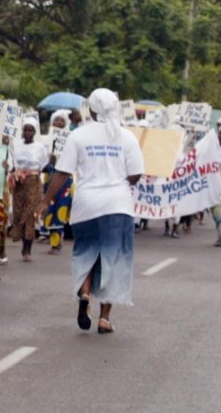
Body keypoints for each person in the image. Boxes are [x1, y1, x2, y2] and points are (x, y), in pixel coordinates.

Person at [39, 89, 144, 334]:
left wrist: (45, 202)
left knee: (87, 253)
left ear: (92, 109)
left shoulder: (79, 136)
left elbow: (62, 172)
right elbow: (136, 174)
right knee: (114, 260)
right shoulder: (127, 137)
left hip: (86, 206)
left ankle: (85, 294)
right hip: (118, 206)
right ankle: (104, 319)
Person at [10, 117, 50, 261]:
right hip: (19, 183)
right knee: (19, 213)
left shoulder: (40, 147)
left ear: (34, 132)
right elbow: (12, 163)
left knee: (30, 214)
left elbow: (44, 165)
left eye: (30, 130)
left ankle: (28, 248)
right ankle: (22, 241)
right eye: (25, 130)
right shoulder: (16, 144)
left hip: (33, 183)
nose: (27, 132)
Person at [44, 109, 74, 252]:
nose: (59, 123)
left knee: (60, 210)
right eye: (56, 120)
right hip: (49, 179)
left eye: (62, 120)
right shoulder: (45, 140)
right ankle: (53, 239)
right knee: (49, 209)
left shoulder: (71, 139)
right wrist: (50, 160)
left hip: (64, 180)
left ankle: (57, 242)